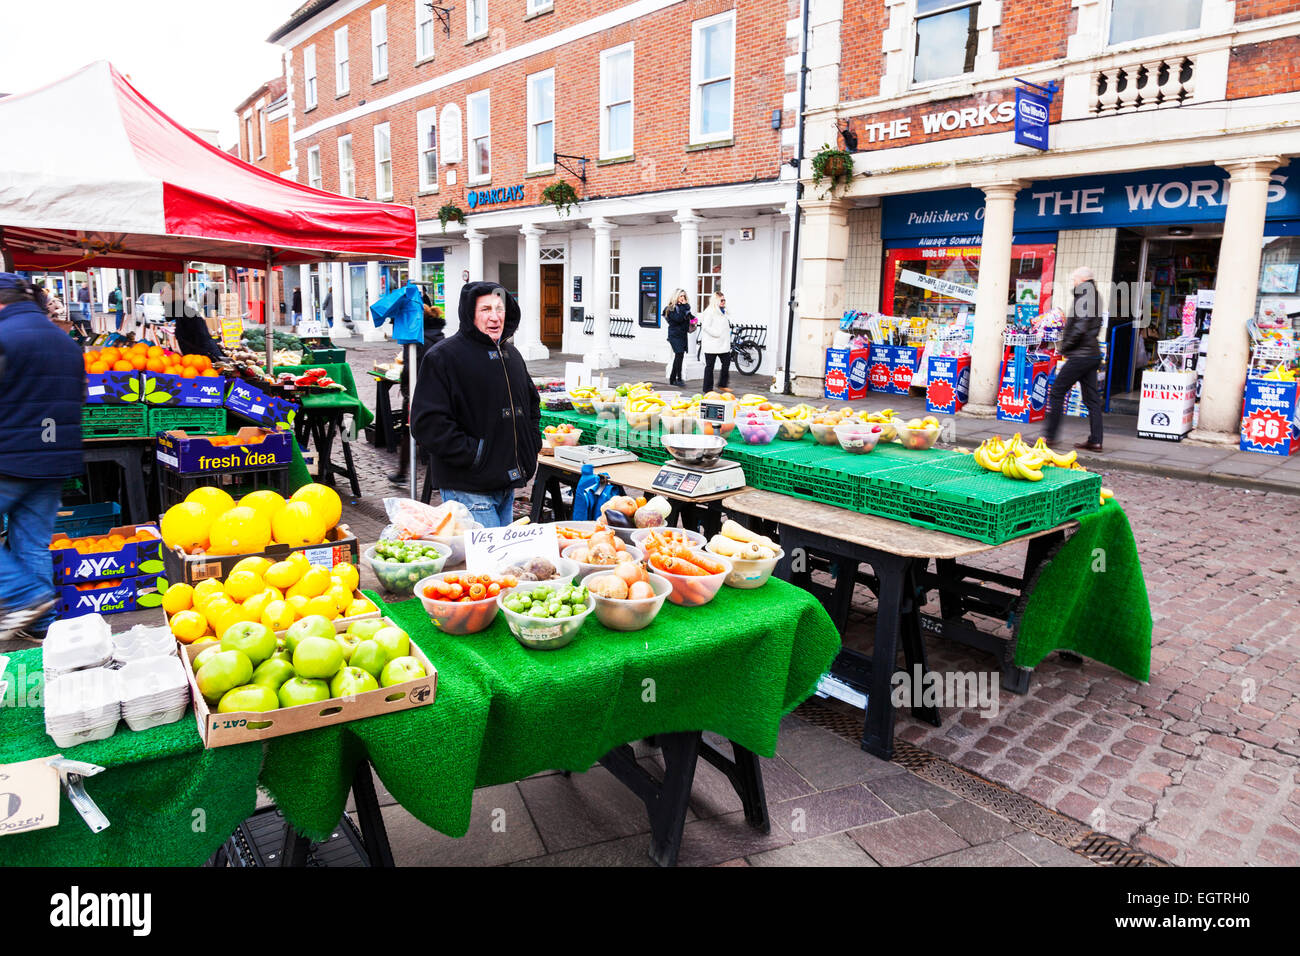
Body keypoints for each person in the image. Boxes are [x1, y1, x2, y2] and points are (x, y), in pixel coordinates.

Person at [410, 282, 541, 528]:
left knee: (499, 563)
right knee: (488, 562)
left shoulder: (512, 355)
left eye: (499, 309)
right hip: (468, 487)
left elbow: (532, 405)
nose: (494, 317)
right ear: (470, 314)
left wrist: (531, 443)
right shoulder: (444, 357)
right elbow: (427, 423)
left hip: (506, 484)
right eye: (486, 309)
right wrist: (476, 454)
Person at [0, 274, 85, 641]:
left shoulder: (4, 339)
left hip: (10, 457)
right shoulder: (64, 342)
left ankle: (21, 597)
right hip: (54, 457)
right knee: (31, 542)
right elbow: (78, 398)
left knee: (29, 543)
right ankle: (39, 628)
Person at [1043, 266, 1105, 452]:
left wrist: (1066, 346)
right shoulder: (1092, 295)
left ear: (1082, 280)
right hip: (1090, 354)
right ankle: (1095, 441)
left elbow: (1081, 328)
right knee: (1092, 399)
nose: (1073, 282)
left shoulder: (1086, 296)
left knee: (1057, 391)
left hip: (1081, 355)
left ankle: (1050, 437)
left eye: (1075, 279)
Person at [389, 301, 447, 486]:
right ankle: (430, 476)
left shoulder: (415, 338)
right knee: (434, 430)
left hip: (419, 391)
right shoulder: (438, 334)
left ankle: (405, 474)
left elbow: (410, 368)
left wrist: (406, 391)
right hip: (438, 389)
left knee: (411, 430)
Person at [162, 284, 225, 362]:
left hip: (206, 361)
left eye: (165, 304)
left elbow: (197, 346)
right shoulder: (184, 314)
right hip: (203, 358)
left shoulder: (186, 317)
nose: (164, 309)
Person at [698, 292, 731, 393]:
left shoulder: (723, 311)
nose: (723, 302)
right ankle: (707, 389)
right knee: (710, 366)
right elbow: (706, 326)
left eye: (724, 300)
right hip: (712, 344)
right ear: (716, 301)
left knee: (726, 362)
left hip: (723, 344)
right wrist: (716, 334)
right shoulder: (710, 311)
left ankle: (722, 384)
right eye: (721, 300)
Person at [663, 288, 693, 387]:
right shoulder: (670, 308)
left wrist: (694, 320)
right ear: (676, 296)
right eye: (681, 296)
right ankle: (679, 378)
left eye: (684, 296)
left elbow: (691, 317)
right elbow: (678, 319)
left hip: (683, 334)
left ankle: (673, 378)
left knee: (679, 356)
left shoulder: (684, 308)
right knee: (679, 355)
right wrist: (685, 307)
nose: (683, 298)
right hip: (674, 335)